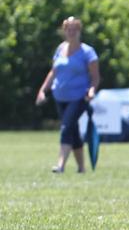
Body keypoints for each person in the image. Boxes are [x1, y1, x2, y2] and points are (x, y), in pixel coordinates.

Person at [35, 16, 100, 173]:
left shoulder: (88, 52)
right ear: (64, 31)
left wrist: (92, 90)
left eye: (74, 29)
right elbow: (53, 72)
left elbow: (95, 77)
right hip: (60, 97)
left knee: (66, 127)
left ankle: (61, 165)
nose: (71, 32)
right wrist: (43, 90)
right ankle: (81, 168)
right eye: (68, 29)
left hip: (79, 97)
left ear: (79, 31)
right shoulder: (60, 49)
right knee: (73, 131)